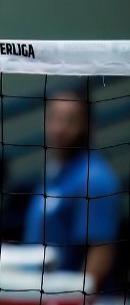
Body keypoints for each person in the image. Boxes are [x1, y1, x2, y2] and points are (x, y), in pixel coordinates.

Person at [23, 87, 121, 290]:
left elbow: (101, 253)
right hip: (37, 293)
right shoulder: (54, 173)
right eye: (54, 118)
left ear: (87, 125)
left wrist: (75, 303)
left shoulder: (95, 178)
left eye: (69, 120)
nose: (58, 128)